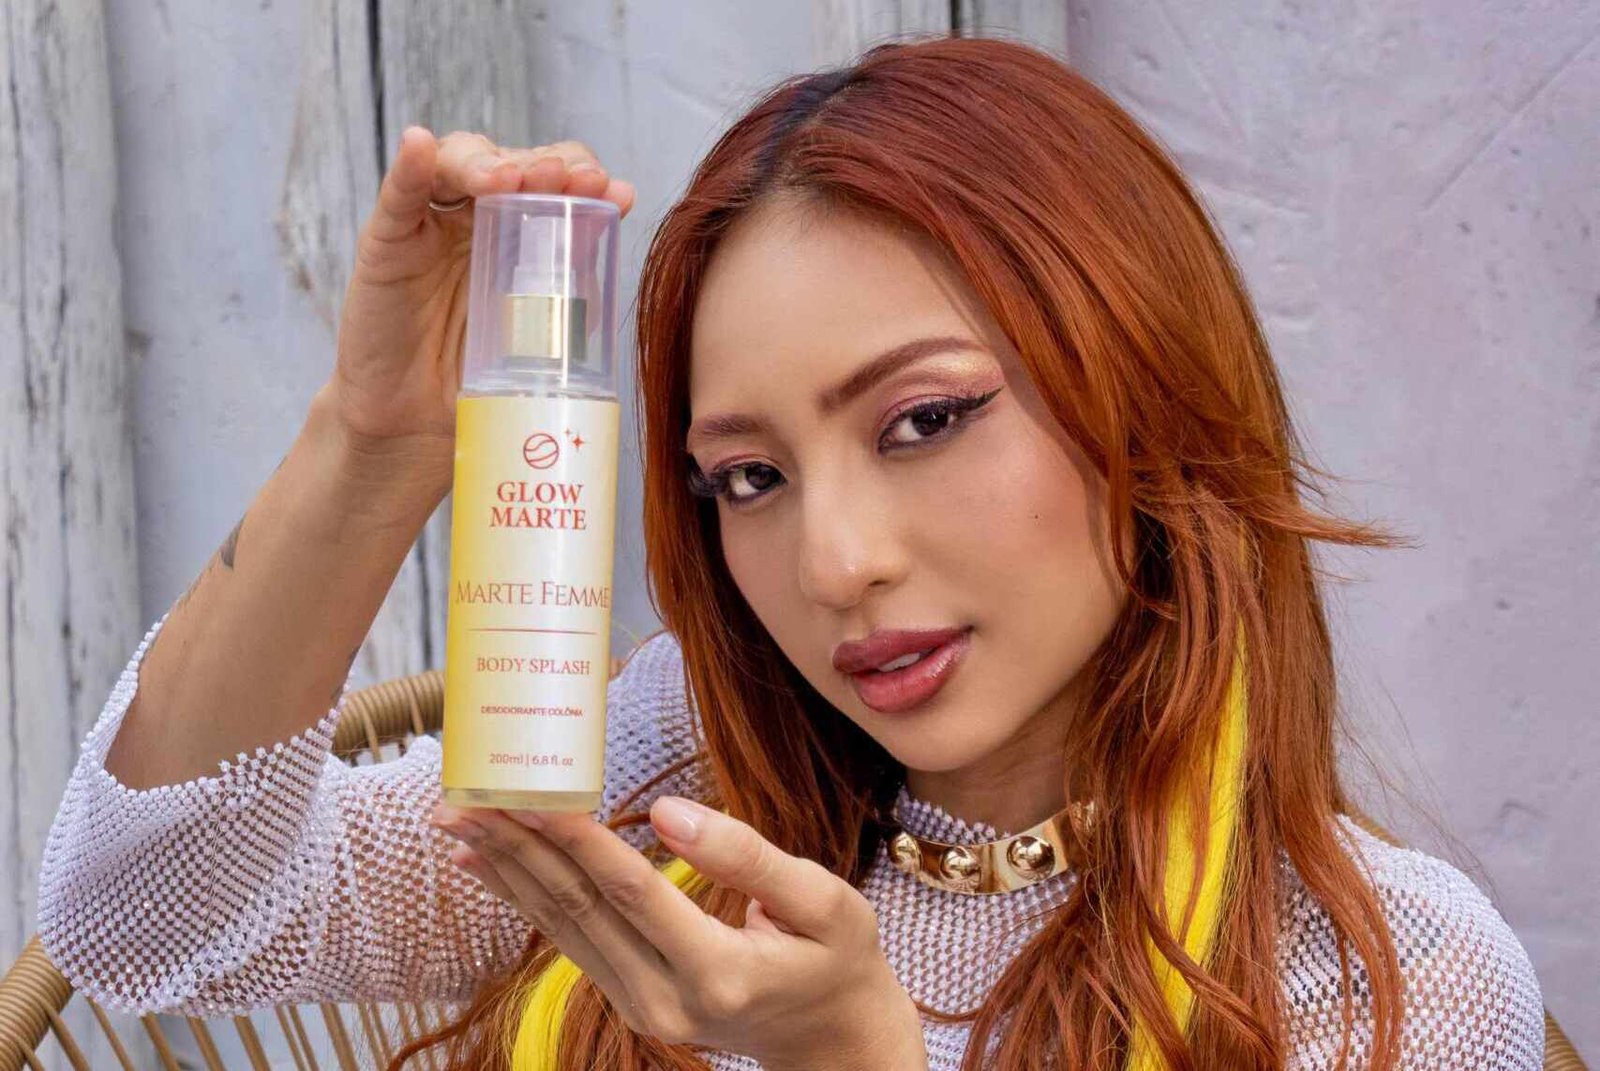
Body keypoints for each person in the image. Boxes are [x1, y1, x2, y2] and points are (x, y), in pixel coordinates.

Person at [35, 35, 1545, 1071]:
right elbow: (146, 915)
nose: (834, 564)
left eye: (924, 421)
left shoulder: (1381, 986)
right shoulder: (678, 783)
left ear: (1144, 386)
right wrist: (372, 447)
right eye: (747, 477)